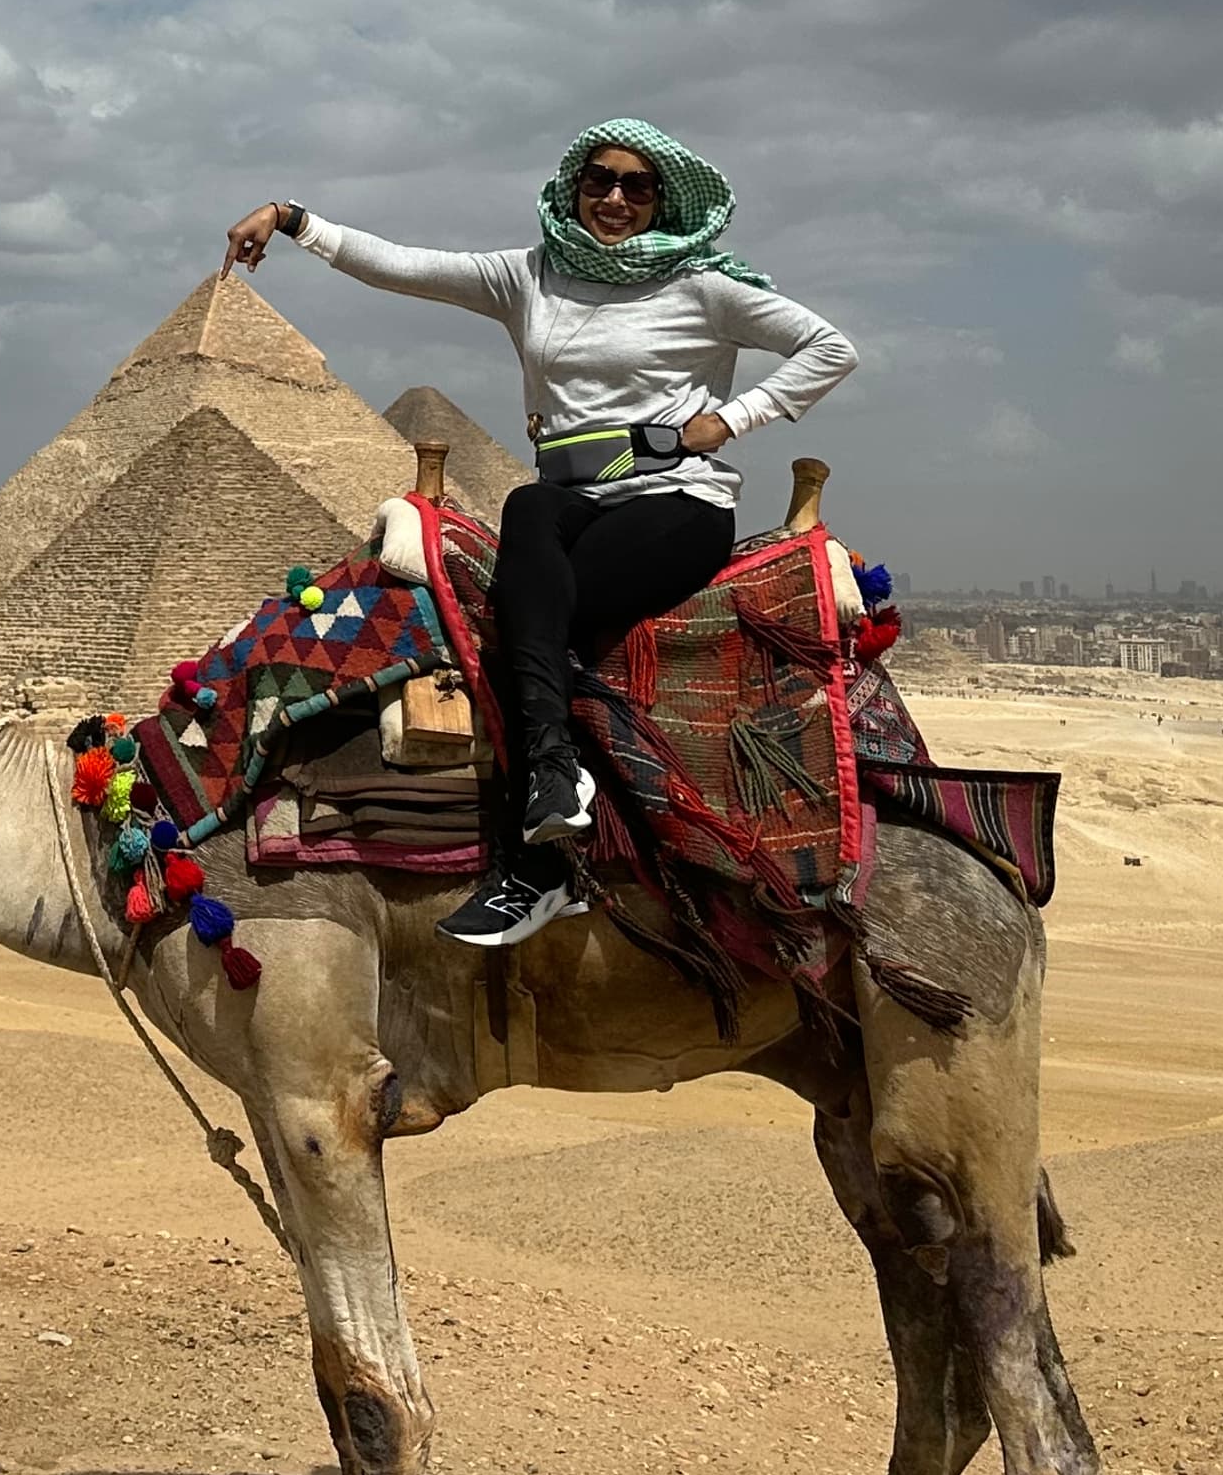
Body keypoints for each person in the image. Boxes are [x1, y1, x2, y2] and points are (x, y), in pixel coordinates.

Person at [224, 121, 855, 950]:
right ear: (573, 185)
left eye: (638, 185)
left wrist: (731, 419)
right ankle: (557, 785)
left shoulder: (703, 288)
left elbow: (829, 346)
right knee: (526, 513)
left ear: (664, 201)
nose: (617, 197)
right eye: (600, 179)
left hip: (676, 502)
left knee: (530, 626)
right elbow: (406, 266)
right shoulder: (532, 277)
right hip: (569, 498)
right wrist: (292, 217)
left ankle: (540, 864)